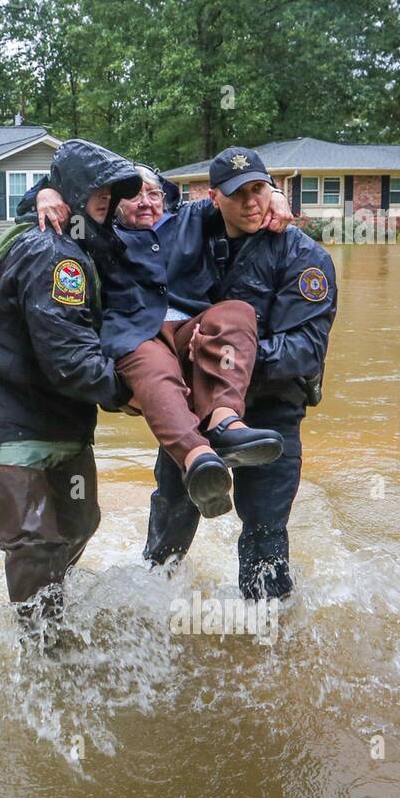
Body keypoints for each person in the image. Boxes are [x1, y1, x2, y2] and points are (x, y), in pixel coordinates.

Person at [0, 139, 141, 633]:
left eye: (114, 191)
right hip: (4, 414)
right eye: (99, 189)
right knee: (34, 541)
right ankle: (41, 660)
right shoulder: (56, 256)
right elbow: (70, 359)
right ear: (72, 191)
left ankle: (50, 615)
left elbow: (175, 215)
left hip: (58, 416)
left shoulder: (88, 238)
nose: (109, 198)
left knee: (78, 523)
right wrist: (127, 394)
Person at [22, 163, 296, 518]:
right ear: (115, 202)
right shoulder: (98, 231)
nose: (147, 202)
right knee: (153, 367)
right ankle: (198, 459)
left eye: (154, 194)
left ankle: (225, 422)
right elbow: (47, 199)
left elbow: (233, 193)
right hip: (136, 333)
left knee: (236, 313)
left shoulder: (192, 218)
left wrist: (274, 193)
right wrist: (44, 193)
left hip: (189, 329)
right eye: (135, 196)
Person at [142, 147, 338, 599]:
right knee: (170, 514)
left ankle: (269, 640)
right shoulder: (187, 228)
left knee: (265, 532)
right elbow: (129, 199)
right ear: (214, 198)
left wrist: (220, 355)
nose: (251, 203)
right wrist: (46, 194)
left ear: (273, 190)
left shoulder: (305, 258)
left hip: (270, 416)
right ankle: (149, 607)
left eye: (259, 189)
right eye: (238, 194)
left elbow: (305, 350)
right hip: (196, 415)